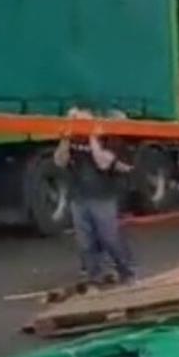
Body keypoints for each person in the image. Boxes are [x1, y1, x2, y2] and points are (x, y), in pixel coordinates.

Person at [54, 108, 136, 284]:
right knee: (85, 242)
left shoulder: (108, 140)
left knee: (109, 238)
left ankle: (127, 271)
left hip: (102, 197)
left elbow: (102, 163)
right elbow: (60, 161)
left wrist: (93, 138)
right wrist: (65, 140)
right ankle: (94, 276)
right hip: (79, 197)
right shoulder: (72, 141)